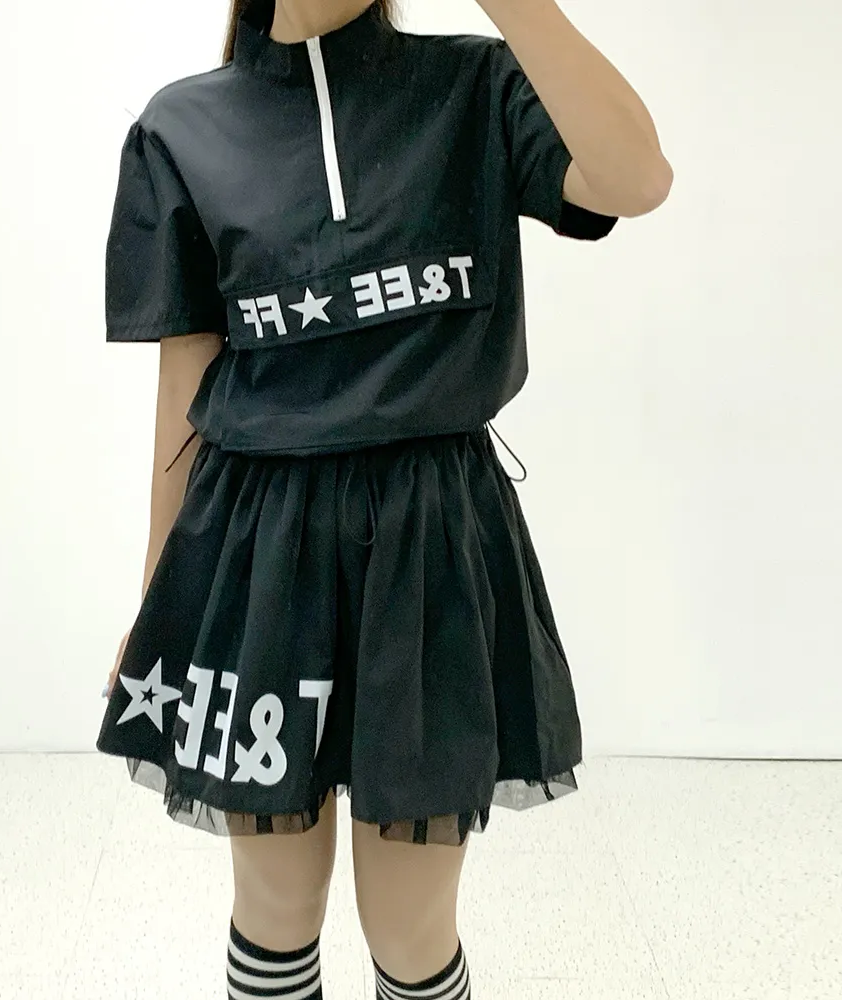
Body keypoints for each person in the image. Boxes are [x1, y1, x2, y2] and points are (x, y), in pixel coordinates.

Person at [96, 0, 671, 997]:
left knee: (410, 928)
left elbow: (636, 179)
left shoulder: (477, 87)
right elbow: (184, 389)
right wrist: (159, 604)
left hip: (431, 543)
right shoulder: (179, 129)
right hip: (259, 551)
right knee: (275, 908)